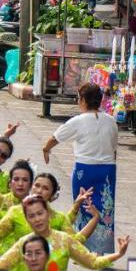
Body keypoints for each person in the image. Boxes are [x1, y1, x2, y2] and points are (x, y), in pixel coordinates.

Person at [43, 81, 118, 252]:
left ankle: (83, 248)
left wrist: (46, 149)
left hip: (85, 170)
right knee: (106, 209)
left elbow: (55, 138)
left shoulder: (78, 121)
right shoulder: (111, 120)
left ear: (83, 100)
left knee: (83, 206)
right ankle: (103, 249)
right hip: (108, 170)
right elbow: (114, 149)